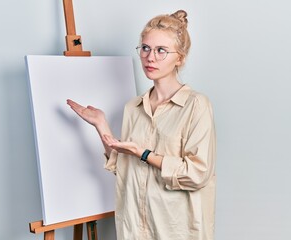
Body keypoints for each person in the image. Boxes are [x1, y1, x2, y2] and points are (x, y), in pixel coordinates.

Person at [67, 9, 216, 240]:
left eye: (161, 50)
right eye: (145, 48)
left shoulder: (196, 105)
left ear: (180, 57)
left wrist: (144, 154)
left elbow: (197, 174)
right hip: (135, 229)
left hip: (176, 230)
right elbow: (126, 169)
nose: (150, 57)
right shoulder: (133, 108)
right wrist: (101, 125)